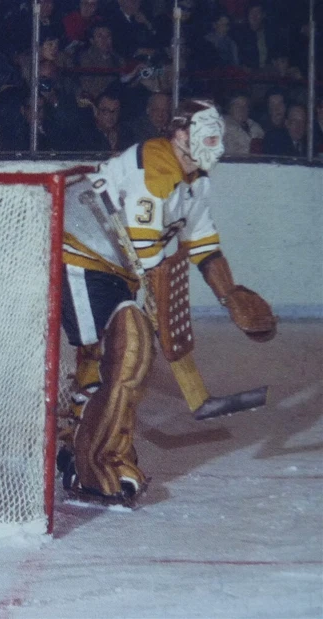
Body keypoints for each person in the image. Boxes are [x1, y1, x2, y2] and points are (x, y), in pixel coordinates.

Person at [57, 99, 276, 505]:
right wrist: (167, 329)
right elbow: (150, 263)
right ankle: (95, 463)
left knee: (111, 353)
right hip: (81, 257)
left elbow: (201, 243)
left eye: (219, 137)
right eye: (210, 137)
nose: (219, 146)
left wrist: (228, 294)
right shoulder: (155, 170)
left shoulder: (195, 177)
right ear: (180, 136)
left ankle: (78, 443)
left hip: (116, 266)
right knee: (127, 351)